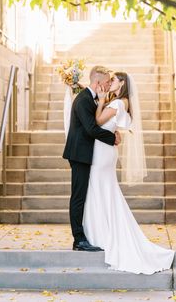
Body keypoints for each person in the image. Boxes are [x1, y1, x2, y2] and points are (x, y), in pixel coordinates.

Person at [83, 72, 175, 274]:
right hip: (105, 151)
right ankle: (102, 231)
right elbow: (113, 125)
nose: (110, 83)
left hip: (103, 153)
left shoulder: (117, 104)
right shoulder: (120, 102)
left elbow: (97, 121)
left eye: (114, 80)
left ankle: (103, 233)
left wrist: (99, 101)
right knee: (104, 190)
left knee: (101, 189)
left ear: (122, 83)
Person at [63, 65, 121, 252]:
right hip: (79, 154)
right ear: (97, 83)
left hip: (85, 153)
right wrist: (112, 139)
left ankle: (85, 234)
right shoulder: (83, 100)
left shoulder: (91, 98)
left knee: (82, 195)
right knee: (78, 196)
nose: (107, 86)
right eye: (105, 83)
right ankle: (78, 239)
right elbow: (91, 129)